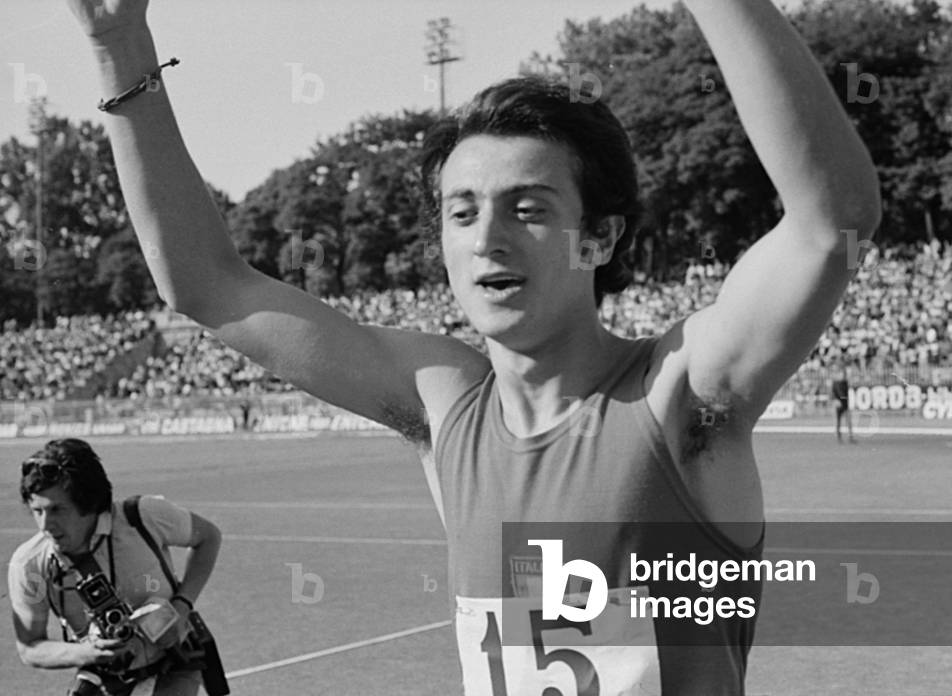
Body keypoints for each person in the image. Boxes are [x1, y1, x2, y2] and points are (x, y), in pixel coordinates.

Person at [65, 0, 880, 692]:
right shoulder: (444, 404)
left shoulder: (678, 398)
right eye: (461, 211)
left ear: (597, 238)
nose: (486, 238)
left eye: (527, 208)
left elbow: (829, 222)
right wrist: (116, 43)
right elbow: (208, 286)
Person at [7, 438, 222, 696]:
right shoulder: (30, 564)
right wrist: (89, 652)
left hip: (174, 665)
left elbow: (208, 537)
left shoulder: (143, 518)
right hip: (105, 678)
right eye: (37, 511)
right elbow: (30, 647)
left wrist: (182, 606)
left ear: (87, 503)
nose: (45, 524)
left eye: (57, 510)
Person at [832, 364, 854, 443]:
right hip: (839, 403)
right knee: (838, 421)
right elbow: (834, 393)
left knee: (848, 420)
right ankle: (839, 437)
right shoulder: (836, 383)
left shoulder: (844, 382)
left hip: (844, 403)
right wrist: (836, 400)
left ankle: (850, 436)